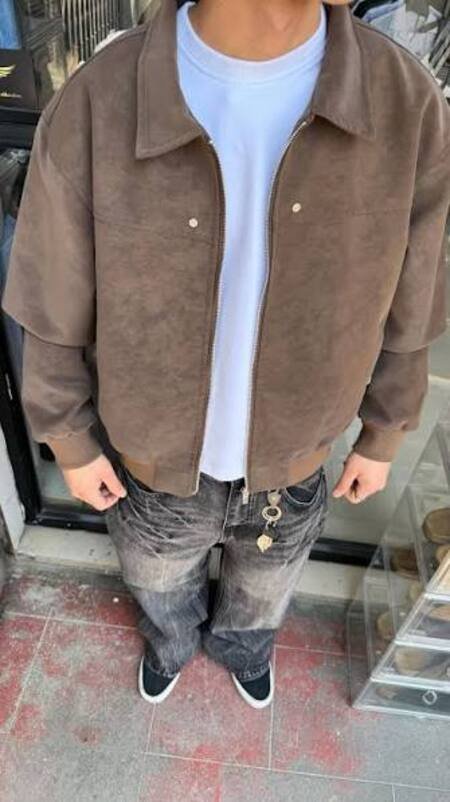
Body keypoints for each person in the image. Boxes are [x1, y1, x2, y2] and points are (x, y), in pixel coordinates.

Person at [2, 0, 449, 708]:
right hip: (150, 462)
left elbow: (417, 288)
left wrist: (385, 427)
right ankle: (172, 644)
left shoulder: (402, 98)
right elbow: (52, 291)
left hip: (297, 455)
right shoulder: (103, 96)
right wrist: (69, 438)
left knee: (264, 589)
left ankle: (243, 649)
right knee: (157, 579)